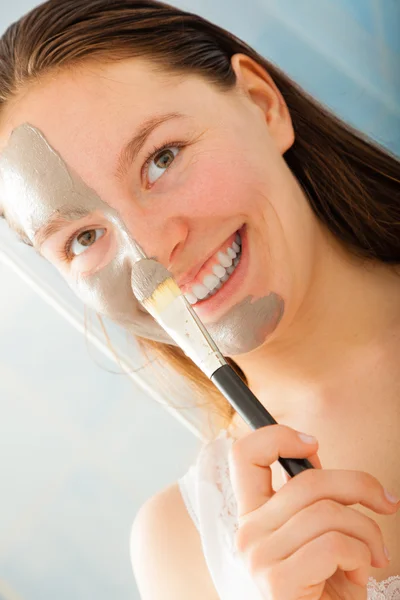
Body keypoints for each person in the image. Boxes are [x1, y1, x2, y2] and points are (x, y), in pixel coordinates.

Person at [0, 1, 398, 598]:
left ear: (264, 106)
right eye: (83, 237)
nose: (152, 249)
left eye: (161, 159)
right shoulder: (183, 549)